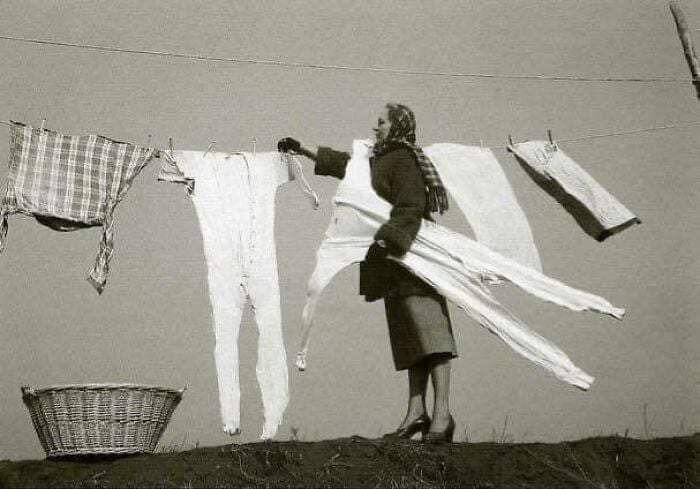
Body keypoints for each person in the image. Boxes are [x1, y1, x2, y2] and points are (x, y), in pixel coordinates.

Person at [278, 103, 457, 443]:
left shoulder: (403, 159)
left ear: (398, 126)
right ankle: (416, 412)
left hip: (416, 257)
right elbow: (344, 165)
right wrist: (301, 147)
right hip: (392, 262)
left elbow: (411, 206)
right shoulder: (379, 160)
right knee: (410, 338)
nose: (375, 128)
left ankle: (443, 415)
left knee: (432, 337)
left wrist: (389, 240)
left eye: (381, 122)